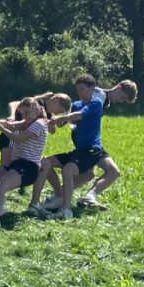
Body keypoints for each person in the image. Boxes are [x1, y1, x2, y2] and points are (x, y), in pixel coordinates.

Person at [38, 78, 136, 211]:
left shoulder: (104, 100)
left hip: (92, 141)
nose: (121, 101)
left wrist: (63, 119)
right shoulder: (99, 96)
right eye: (123, 97)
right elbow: (80, 111)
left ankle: (79, 196)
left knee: (100, 173)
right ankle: (62, 196)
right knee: (99, 172)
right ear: (118, 87)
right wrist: (62, 118)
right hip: (87, 142)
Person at [30, 74, 111, 219]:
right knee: (45, 162)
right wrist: (49, 118)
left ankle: (65, 210)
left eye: (82, 89)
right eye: (78, 90)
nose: (80, 92)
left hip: (92, 150)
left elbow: (78, 115)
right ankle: (46, 200)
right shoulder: (76, 104)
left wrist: (63, 118)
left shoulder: (96, 103)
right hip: (79, 151)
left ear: (92, 88)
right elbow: (63, 123)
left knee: (68, 170)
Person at [0, 98, 50, 228]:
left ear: (36, 110)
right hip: (16, 165)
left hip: (28, 167)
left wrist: (2, 129)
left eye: (27, 113)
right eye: (22, 113)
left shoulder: (40, 124)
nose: (24, 116)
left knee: (0, 186)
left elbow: (19, 139)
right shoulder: (26, 122)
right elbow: (13, 125)